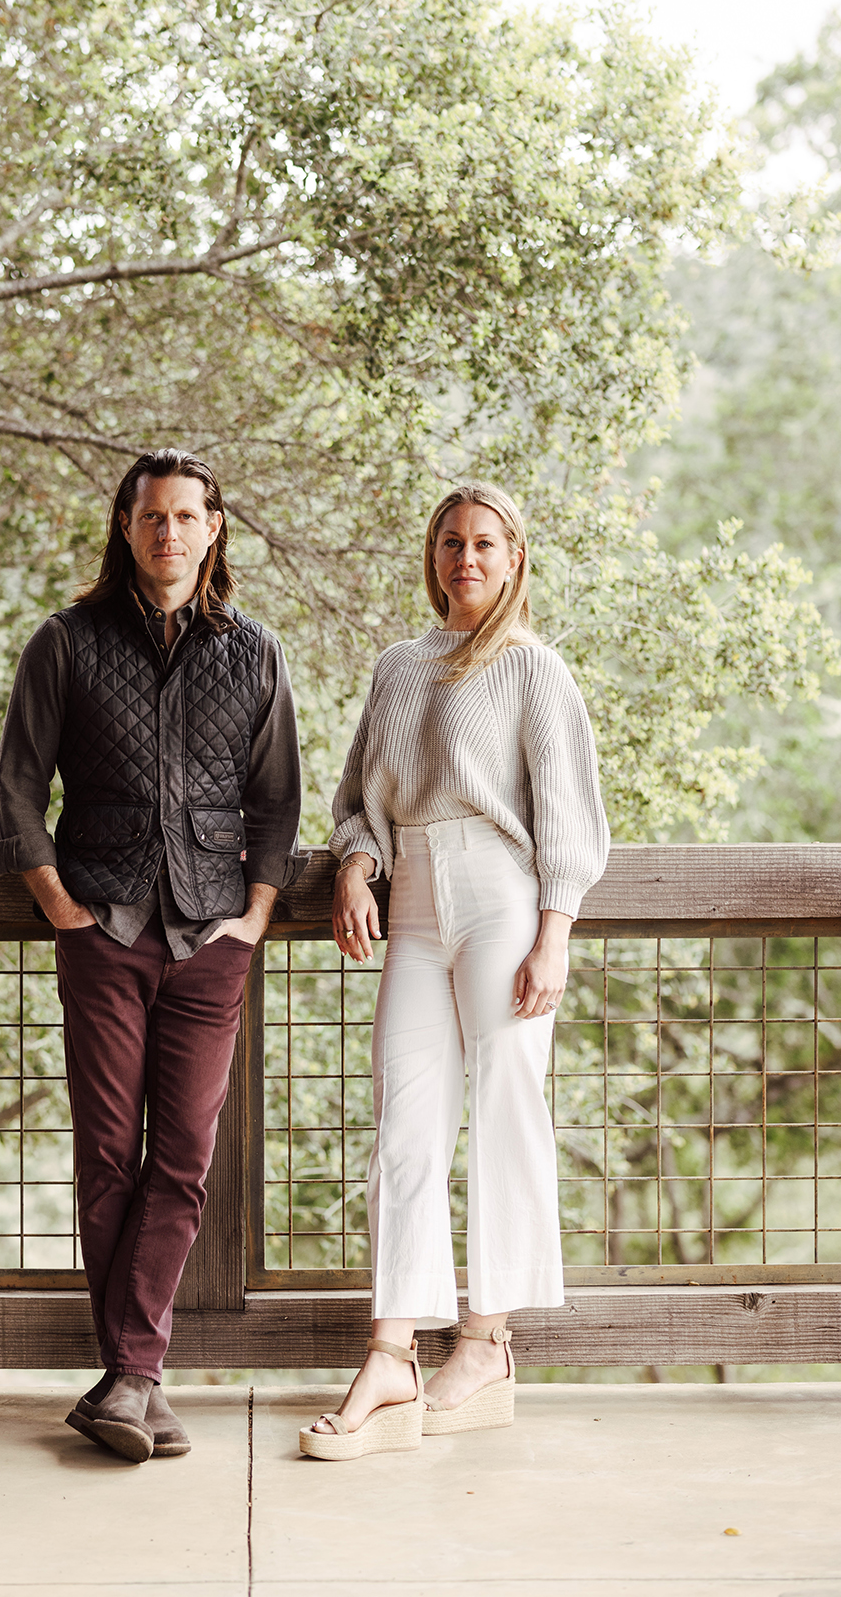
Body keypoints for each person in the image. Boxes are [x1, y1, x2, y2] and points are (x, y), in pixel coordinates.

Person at [0, 448, 304, 1464]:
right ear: (125, 528)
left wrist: (252, 917)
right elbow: (17, 796)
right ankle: (137, 1379)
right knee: (106, 1153)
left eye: (187, 517)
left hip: (211, 939)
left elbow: (279, 800)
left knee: (186, 1162)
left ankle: (130, 1378)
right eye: (151, 516)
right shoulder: (65, 643)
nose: (169, 533)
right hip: (104, 931)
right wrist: (62, 911)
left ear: (216, 530)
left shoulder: (254, 653)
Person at [301, 480, 609, 1462]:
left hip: (503, 898)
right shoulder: (398, 668)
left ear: (514, 558)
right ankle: (393, 1355)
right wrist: (356, 865)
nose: (465, 559)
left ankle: (485, 1344)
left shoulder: (535, 671)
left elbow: (568, 816)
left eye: (484, 543)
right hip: (416, 906)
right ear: (432, 558)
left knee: (507, 1106)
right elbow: (359, 799)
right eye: (449, 543)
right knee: (407, 1118)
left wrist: (554, 931)